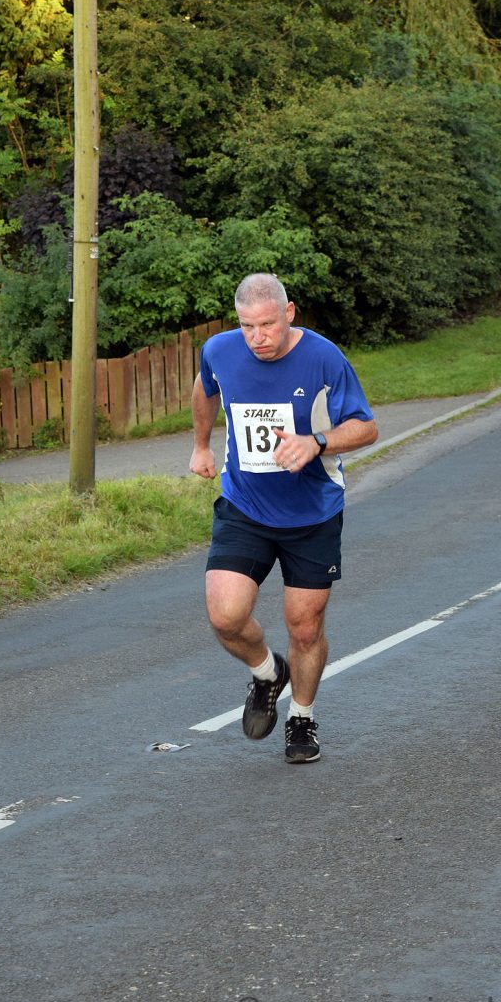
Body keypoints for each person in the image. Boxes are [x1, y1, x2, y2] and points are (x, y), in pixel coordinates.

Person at [189, 273, 378, 763]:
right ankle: (268, 672)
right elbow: (205, 388)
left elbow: (366, 427)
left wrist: (315, 443)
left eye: (268, 324)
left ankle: (302, 717)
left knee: (305, 627)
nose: (258, 337)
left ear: (289, 313)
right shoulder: (220, 350)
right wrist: (200, 444)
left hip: (312, 512)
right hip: (245, 506)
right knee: (225, 616)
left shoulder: (322, 358)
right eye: (248, 326)